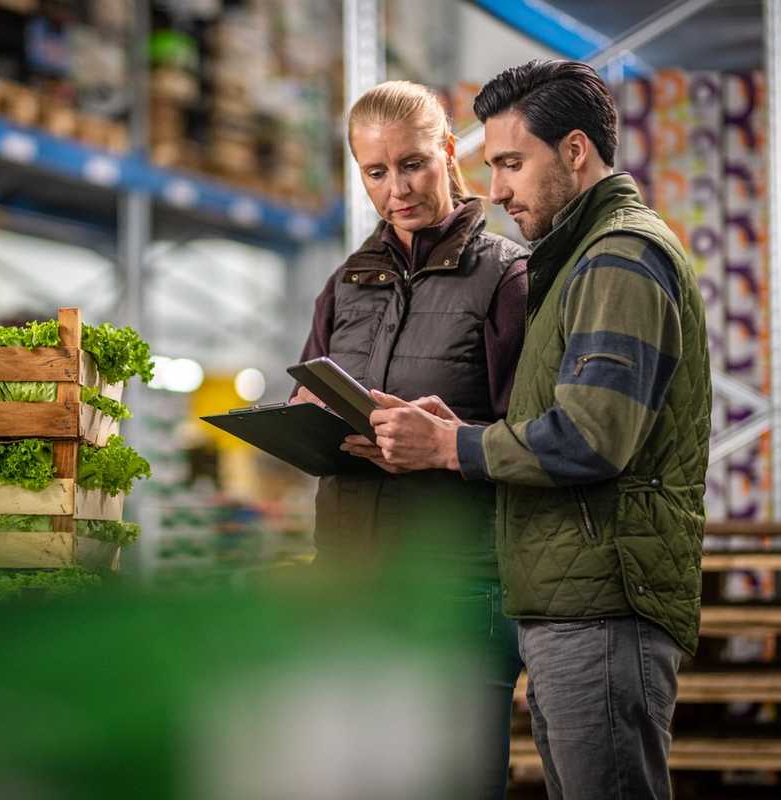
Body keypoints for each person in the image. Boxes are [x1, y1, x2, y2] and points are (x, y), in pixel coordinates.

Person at [348, 60, 711, 799]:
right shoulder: (579, 258)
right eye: (494, 166)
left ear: (575, 151)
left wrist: (454, 447)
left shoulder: (620, 257)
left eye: (513, 163)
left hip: (604, 602)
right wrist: (469, 429)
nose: (501, 189)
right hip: (571, 600)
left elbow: (591, 436)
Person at [291, 79, 528, 799]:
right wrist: (306, 419)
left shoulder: (507, 275)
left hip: (457, 578)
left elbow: (534, 437)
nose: (398, 188)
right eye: (376, 171)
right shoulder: (345, 285)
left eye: (414, 163)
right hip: (351, 574)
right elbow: (312, 387)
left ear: (450, 154)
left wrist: (443, 443)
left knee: (455, 778)